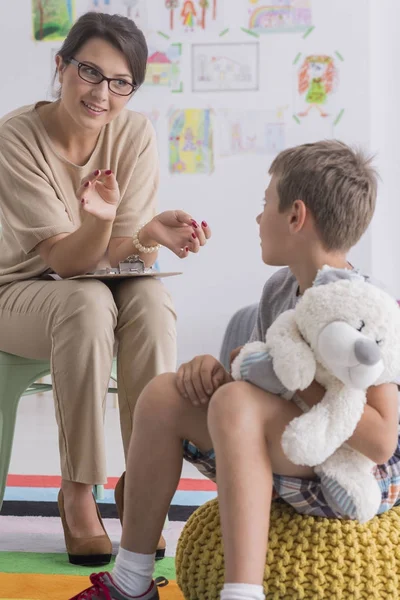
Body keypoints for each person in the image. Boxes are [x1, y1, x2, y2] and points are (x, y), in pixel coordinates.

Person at [74, 139, 400, 600]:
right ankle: (131, 581)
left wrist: (293, 378)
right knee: (163, 395)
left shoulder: (368, 308)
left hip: (349, 474)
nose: (257, 217)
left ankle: (242, 593)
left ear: (295, 217)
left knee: (233, 400)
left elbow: (382, 442)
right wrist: (216, 374)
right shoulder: (278, 291)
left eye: (265, 203)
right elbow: (262, 397)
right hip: (288, 449)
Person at [0, 12, 211, 567]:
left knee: (149, 299)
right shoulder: (16, 138)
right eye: (90, 72)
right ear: (61, 66)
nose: (102, 93)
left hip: (87, 283)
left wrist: (144, 234)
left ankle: (139, 481)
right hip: (16, 292)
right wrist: (104, 223)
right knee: (86, 302)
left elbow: (118, 254)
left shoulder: (133, 132)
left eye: (121, 82)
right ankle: (76, 491)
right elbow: (67, 264)